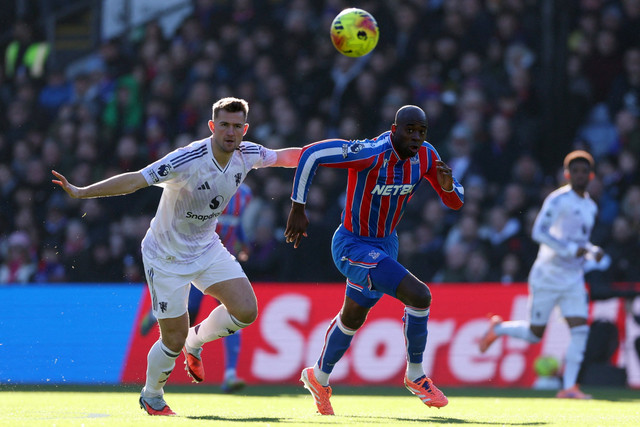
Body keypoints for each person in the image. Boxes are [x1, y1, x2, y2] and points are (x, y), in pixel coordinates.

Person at [52, 97, 301, 416]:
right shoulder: (188, 159)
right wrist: (83, 191)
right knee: (172, 337)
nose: (230, 132)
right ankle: (152, 395)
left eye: (237, 126)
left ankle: (195, 342)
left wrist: (330, 155)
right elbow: (137, 180)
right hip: (165, 256)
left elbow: (286, 157)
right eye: (224, 124)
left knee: (246, 310)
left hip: (207, 246)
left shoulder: (248, 153)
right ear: (212, 126)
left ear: (245, 129)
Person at [284, 105, 464, 415]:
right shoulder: (370, 152)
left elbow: (455, 200)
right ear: (394, 129)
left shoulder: (426, 155)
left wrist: (448, 188)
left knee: (353, 316)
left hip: (385, 245)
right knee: (420, 295)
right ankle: (416, 375)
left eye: (422, 132)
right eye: (410, 130)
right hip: (351, 244)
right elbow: (312, 154)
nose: (417, 137)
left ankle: (318, 376)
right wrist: (298, 207)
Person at [478, 150, 604, 400]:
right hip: (547, 274)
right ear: (567, 175)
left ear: (590, 175)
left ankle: (569, 387)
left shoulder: (591, 206)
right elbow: (539, 232)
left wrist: (592, 251)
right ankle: (499, 328)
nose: (579, 176)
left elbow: (580, 240)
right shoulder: (558, 200)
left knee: (580, 331)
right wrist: (570, 249)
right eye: (574, 171)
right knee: (535, 335)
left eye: (583, 172)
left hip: (573, 278)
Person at [139, 183, 253, 393]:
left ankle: (230, 374)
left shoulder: (245, 194)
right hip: (194, 259)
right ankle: (157, 314)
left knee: (237, 312)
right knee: (189, 311)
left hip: (221, 262)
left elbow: (236, 224)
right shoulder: (204, 185)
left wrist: (244, 243)